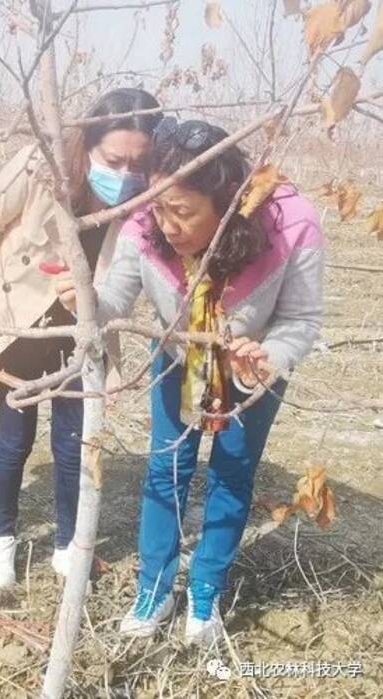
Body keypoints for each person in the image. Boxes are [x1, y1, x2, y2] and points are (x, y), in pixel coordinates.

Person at [56, 117, 324, 644]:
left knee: (231, 473)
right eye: (159, 207)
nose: (168, 224)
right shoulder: (146, 223)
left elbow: (302, 319)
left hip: (252, 368)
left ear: (226, 206)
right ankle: (154, 587)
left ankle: (205, 592)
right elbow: (116, 301)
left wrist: (267, 356)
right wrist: (85, 298)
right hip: (178, 356)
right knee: (166, 467)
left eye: (182, 212)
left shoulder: (291, 225)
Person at [0, 88, 163, 589]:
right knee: (13, 439)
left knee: (74, 446)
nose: (126, 173)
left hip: (81, 330)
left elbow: (129, 277)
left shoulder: (143, 200)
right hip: (20, 322)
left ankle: (70, 549)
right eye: (114, 159)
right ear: (88, 142)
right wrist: (17, 270)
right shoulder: (38, 166)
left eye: (139, 161)